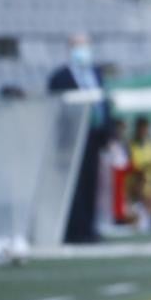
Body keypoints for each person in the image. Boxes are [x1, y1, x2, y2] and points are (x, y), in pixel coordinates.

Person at [47, 33, 111, 243]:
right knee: (75, 185)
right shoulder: (60, 77)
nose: (82, 50)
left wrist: (107, 134)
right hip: (72, 138)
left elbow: (104, 105)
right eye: (78, 46)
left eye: (85, 46)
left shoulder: (96, 74)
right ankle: (75, 230)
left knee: (92, 183)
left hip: (94, 136)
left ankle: (90, 227)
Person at [127, 115, 151, 229]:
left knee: (149, 207)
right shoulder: (131, 144)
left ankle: (148, 225)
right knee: (135, 208)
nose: (145, 131)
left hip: (149, 181)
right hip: (134, 182)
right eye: (143, 128)